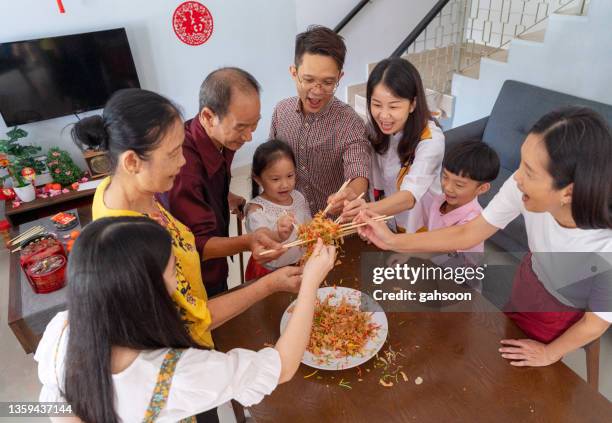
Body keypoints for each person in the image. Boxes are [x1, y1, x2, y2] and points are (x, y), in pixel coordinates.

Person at [356, 107, 612, 367]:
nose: (516, 178)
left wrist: (550, 353)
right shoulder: (521, 185)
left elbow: (595, 323)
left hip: (560, 308)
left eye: (530, 172)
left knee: (521, 368)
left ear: (568, 192)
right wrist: (392, 240)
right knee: (502, 338)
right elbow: (471, 232)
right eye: (521, 164)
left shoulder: (605, 246)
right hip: (529, 277)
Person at [35, 217, 336, 422]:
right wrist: (310, 283)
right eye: (173, 271)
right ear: (147, 291)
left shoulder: (62, 327)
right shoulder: (178, 375)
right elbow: (280, 368)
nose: (178, 280)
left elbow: (51, 404)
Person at [72, 88, 303, 351]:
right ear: (132, 162)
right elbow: (196, 320)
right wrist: (269, 284)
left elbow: (189, 245)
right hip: (186, 350)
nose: (183, 162)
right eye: (172, 154)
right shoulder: (130, 242)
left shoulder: (128, 190)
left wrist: (249, 238)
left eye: (181, 148)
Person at [163, 67, 285, 297]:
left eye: (254, 125)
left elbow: (211, 178)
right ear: (208, 117)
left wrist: (226, 196)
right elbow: (196, 245)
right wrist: (249, 241)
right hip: (195, 275)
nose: (249, 137)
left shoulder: (219, 138)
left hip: (216, 257)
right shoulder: (182, 168)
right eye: (241, 127)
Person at [269, 25, 370, 216]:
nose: (317, 91)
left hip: (338, 226)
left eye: (328, 82)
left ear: (339, 77)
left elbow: (358, 172)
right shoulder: (281, 113)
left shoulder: (350, 123)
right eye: (308, 80)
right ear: (293, 73)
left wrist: (352, 194)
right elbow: (270, 163)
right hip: (295, 223)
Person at [341, 57, 445, 233]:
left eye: (394, 107)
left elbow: (409, 197)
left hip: (418, 227)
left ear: (412, 104)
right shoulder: (373, 129)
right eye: (377, 105)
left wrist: (365, 210)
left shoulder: (430, 139)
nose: (384, 116)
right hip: (386, 221)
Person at [245, 140, 312, 280]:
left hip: (301, 264)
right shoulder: (256, 210)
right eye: (275, 179)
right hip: (271, 272)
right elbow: (261, 236)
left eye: (290, 176)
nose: (285, 184)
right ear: (258, 179)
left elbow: (308, 226)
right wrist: (278, 234)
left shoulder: (298, 196)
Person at [421, 139, 500, 252]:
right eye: (445, 177)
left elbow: (441, 252)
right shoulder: (439, 199)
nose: (447, 188)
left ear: (482, 188)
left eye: (459, 185)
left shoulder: (473, 223)